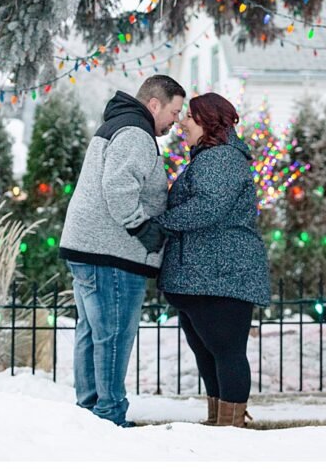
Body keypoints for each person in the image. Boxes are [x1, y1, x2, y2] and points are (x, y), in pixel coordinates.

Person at [59, 75, 186, 427]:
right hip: (112, 252)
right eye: (174, 112)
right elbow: (118, 188)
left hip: (88, 246)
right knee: (114, 336)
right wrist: (143, 228)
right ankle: (110, 415)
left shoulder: (118, 125)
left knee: (92, 332)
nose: (175, 121)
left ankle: (89, 410)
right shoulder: (135, 133)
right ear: (154, 104)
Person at [156, 92, 271, 427]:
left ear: (208, 120)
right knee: (210, 354)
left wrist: (161, 225)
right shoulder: (209, 157)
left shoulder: (221, 158)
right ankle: (218, 421)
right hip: (205, 276)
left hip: (221, 276)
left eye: (189, 116)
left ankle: (230, 426)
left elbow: (209, 206)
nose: (182, 122)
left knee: (225, 352)